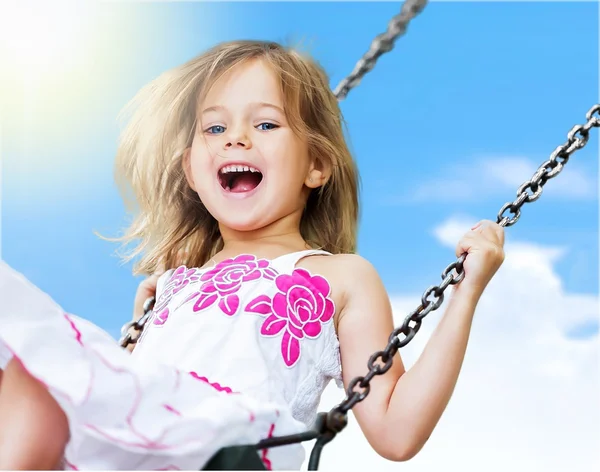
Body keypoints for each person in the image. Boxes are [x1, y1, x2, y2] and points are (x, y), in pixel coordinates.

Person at [0, 40, 505, 470]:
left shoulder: (339, 277)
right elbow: (123, 398)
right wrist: (138, 332)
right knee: (31, 367)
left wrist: (466, 291)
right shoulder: (173, 284)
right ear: (192, 171)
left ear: (317, 165)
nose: (236, 137)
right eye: (214, 129)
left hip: (235, 449)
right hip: (143, 448)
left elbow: (396, 432)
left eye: (266, 125)